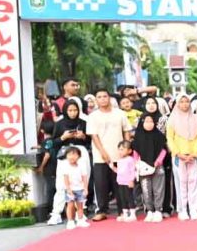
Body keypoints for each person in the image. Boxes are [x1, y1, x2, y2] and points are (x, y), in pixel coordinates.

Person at [86, 88, 131, 221]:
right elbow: (94, 136)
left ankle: (123, 210)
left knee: (120, 184)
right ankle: (102, 210)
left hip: (120, 154)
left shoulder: (120, 113)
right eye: (99, 97)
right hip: (101, 155)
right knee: (101, 184)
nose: (102, 99)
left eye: (105, 96)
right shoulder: (93, 116)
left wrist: (126, 147)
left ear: (109, 98)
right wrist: (102, 152)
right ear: (96, 100)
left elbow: (126, 130)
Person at [46, 99, 89, 225]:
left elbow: (90, 140)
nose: (73, 113)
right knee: (61, 184)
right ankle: (56, 213)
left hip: (80, 152)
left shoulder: (83, 122)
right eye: (70, 110)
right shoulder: (59, 124)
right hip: (64, 153)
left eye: (75, 110)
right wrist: (63, 137)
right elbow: (53, 142)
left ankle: (80, 213)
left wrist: (83, 136)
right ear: (65, 110)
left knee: (81, 181)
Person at [166, 94, 197, 220]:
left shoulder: (196, 119)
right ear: (177, 104)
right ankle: (182, 209)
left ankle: (193, 209)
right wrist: (178, 153)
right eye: (181, 102)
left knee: (193, 182)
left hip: (194, 156)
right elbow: (170, 139)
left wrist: (195, 153)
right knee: (181, 182)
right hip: (179, 156)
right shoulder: (172, 120)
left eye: (186, 101)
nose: (184, 104)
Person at [133, 113, 167, 222]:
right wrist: (136, 163)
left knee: (158, 189)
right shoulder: (138, 136)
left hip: (157, 166)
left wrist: (158, 161)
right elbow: (136, 151)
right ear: (142, 123)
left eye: (151, 121)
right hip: (143, 166)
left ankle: (158, 210)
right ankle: (149, 210)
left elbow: (163, 149)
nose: (149, 124)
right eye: (146, 121)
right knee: (146, 190)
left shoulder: (159, 135)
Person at [58, 146, 90, 230]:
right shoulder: (65, 166)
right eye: (69, 154)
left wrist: (85, 188)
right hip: (70, 189)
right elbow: (66, 179)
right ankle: (70, 221)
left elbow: (84, 177)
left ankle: (80, 220)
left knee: (80, 205)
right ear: (66, 156)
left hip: (80, 188)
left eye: (74, 154)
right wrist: (68, 189)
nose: (72, 157)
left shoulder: (81, 165)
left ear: (78, 156)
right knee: (70, 205)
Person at [113, 140, 138, 222]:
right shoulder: (119, 160)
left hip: (128, 182)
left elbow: (133, 170)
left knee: (129, 197)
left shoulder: (130, 160)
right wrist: (113, 168)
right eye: (119, 149)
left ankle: (133, 214)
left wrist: (131, 180)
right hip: (120, 182)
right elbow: (119, 171)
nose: (120, 151)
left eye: (122, 149)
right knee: (122, 198)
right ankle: (125, 213)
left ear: (129, 151)